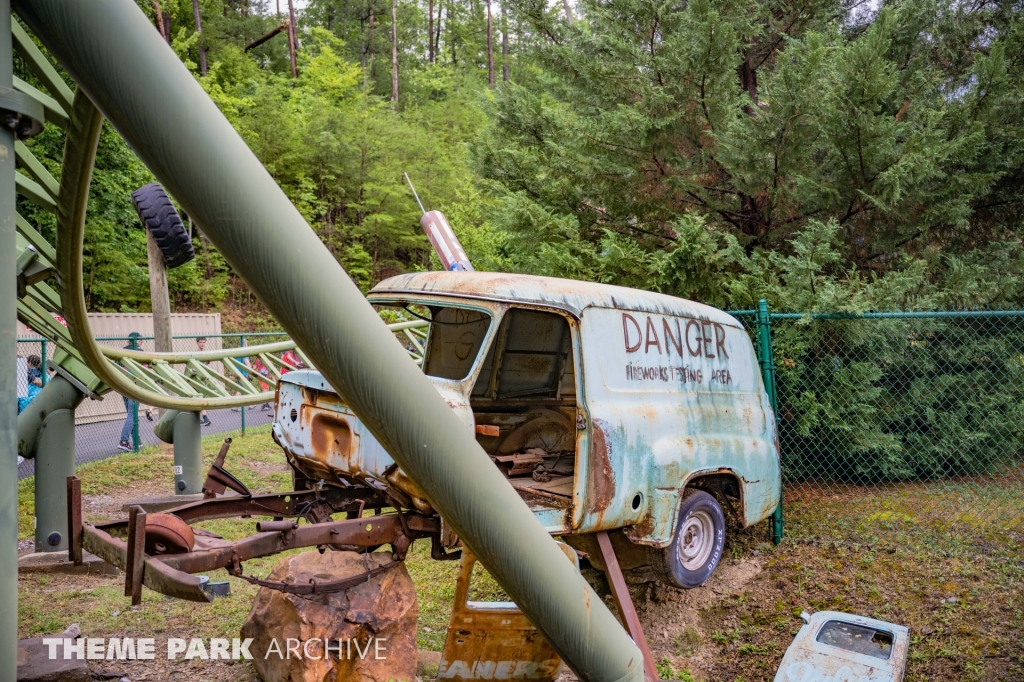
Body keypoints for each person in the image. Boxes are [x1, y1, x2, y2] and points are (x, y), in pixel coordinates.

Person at [195, 337, 212, 426]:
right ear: (197, 343)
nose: (202, 344)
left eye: (203, 342)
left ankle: (203, 418)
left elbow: (207, 365)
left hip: (204, 379)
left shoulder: (206, 354)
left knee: (201, 398)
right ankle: (205, 418)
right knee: (199, 398)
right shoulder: (195, 354)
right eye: (200, 342)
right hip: (197, 379)